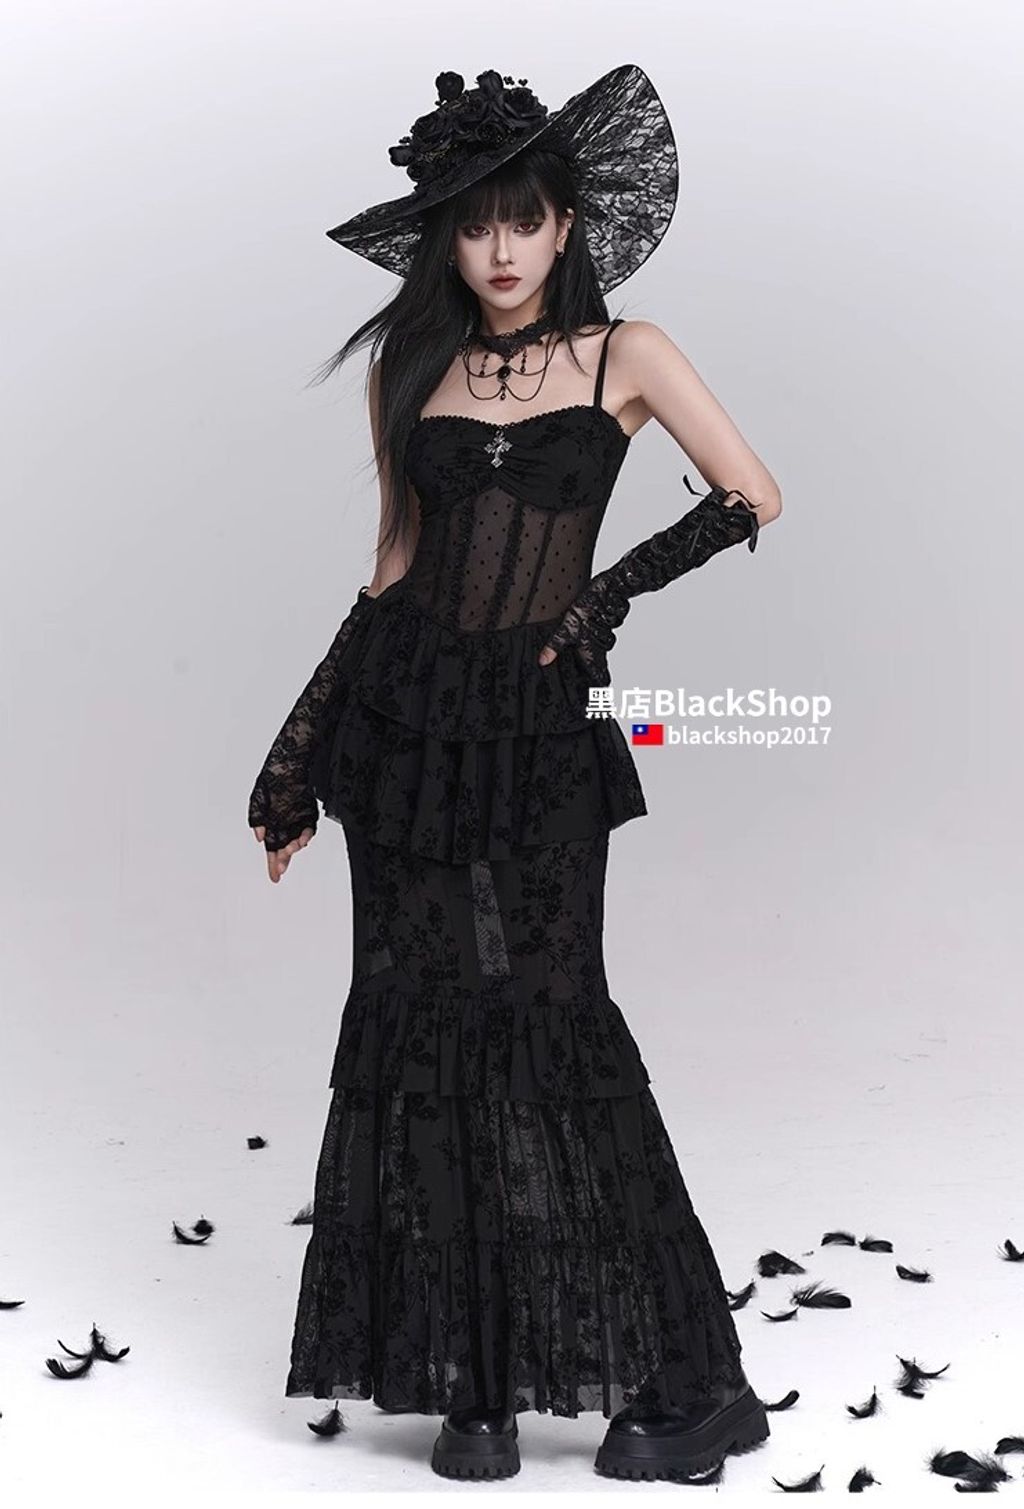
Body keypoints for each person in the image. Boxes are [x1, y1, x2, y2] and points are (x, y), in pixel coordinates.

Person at [248, 63, 782, 1484]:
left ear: (565, 225)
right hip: (404, 728)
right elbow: (392, 570)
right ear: (447, 236)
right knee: (416, 1017)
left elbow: (754, 492)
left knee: (554, 1016)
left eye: (523, 219)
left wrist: (606, 596)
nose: (498, 249)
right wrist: (297, 755)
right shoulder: (405, 370)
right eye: (475, 223)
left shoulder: (626, 354)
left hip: (539, 733)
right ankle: (471, 1380)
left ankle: (703, 1380)